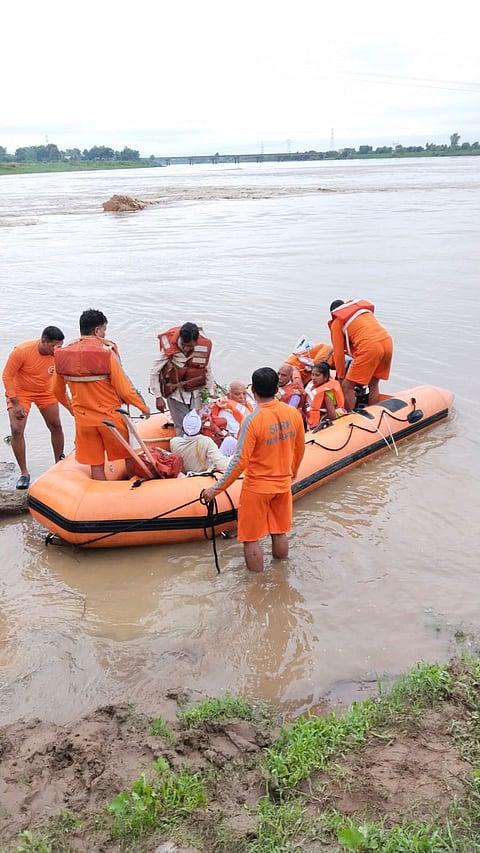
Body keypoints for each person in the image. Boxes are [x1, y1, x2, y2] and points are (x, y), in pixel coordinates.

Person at [202, 367, 305, 573]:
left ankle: (256, 585)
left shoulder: (252, 420)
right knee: (279, 531)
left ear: (254, 392)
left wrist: (216, 489)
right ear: (277, 388)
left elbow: (239, 461)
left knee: (250, 538)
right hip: (283, 484)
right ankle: (281, 575)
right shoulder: (292, 413)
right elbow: (299, 447)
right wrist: (293, 471)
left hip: (257, 488)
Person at [53, 309, 150, 480]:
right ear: (97, 330)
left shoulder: (63, 355)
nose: (105, 333)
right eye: (104, 329)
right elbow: (124, 389)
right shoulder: (106, 353)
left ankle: (104, 500)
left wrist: (71, 409)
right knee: (129, 455)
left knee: (96, 464)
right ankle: (133, 494)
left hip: (83, 420)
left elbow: (57, 391)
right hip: (110, 418)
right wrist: (143, 407)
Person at [2, 326, 68, 489]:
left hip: (46, 391)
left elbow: (64, 381)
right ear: (43, 341)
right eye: (55, 346)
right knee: (17, 429)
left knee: (56, 426)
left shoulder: (59, 355)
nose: (58, 349)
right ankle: (24, 473)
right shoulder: (22, 351)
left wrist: (73, 408)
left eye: (60, 345)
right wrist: (16, 404)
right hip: (21, 392)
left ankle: (58, 466)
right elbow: (7, 376)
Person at [329, 299, 393, 412]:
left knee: (347, 387)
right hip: (387, 342)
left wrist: (341, 378)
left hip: (370, 347)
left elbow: (338, 355)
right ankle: (374, 414)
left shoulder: (338, 321)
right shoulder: (359, 313)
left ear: (332, 313)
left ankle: (349, 418)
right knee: (373, 384)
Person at [149, 322, 213, 435]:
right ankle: (183, 448)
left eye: (190, 346)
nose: (187, 348)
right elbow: (154, 371)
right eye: (184, 345)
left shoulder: (202, 347)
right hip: (176, 395)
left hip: (195, 392)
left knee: (196, 425)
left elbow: (207, 370)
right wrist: (158, 397)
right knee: (183, 428)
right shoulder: (169, 350)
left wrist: (209, 392)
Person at [304, 362, 343, 430]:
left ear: (325, 378)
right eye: (312, 375)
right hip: (310, 416)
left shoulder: (326, 393)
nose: (313, 378)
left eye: (317, 375)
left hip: (322, 421)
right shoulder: (312, 386)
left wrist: (320, 422)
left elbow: (332, 415)